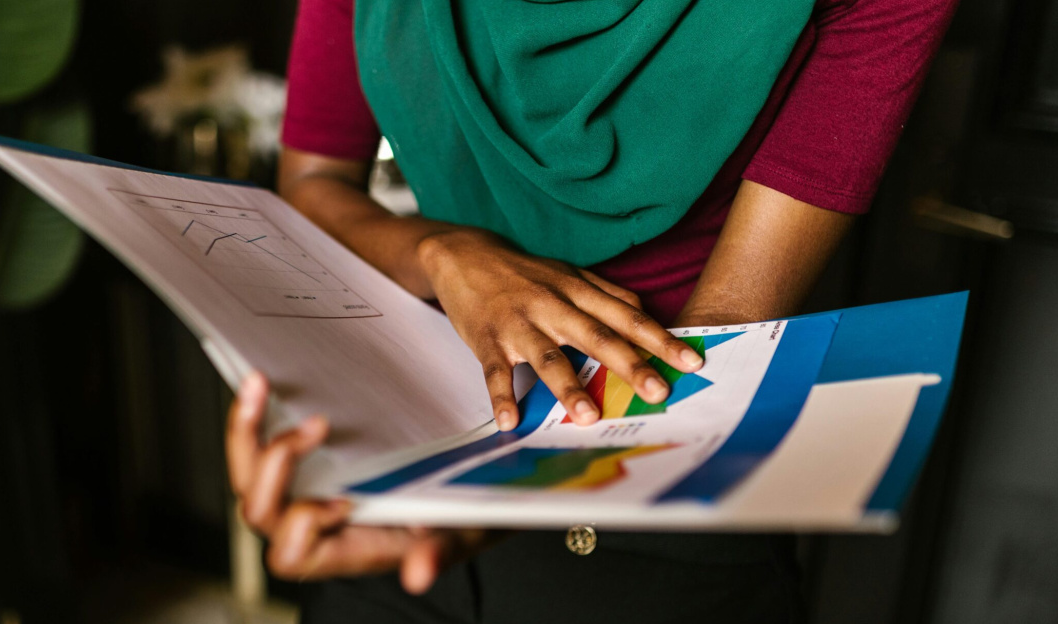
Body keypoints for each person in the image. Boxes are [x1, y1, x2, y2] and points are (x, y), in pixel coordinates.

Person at [225, 0, 959, 621]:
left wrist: (501, 496)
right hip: (415, 433)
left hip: (657, 482)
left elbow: (722, 328)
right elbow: (315, 181)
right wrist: (446, 253)